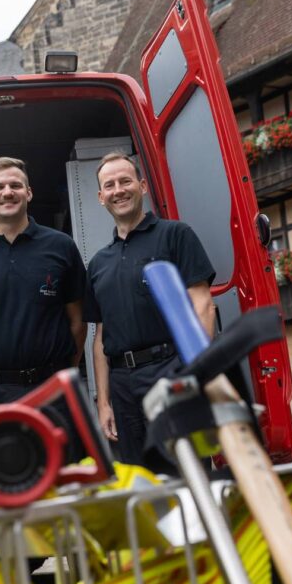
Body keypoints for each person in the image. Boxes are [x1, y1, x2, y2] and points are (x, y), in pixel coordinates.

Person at [84, 152, 216, 468]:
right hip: (122, 385)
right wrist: (104, 403)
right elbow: (100, 337)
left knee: (188, 471)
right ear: (101, 198)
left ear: (142, 186)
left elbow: (203, 306)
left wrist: (195, 376)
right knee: (140, 479)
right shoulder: (98, 263)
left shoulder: (175, 235)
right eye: (110, 185)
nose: (119, 190)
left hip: (171, 370)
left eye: (125, 181)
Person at [0, 157, 87, 419]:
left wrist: (63, 371)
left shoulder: (61, 246)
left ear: (29, 192)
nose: (8, 192)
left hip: (54, 390)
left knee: (64, 461)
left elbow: (78, 323)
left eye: (16, 185)